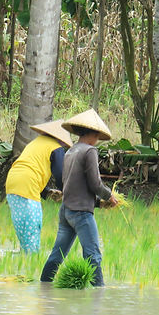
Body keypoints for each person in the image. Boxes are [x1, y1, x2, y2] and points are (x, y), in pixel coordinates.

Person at [40, 109, 117, 286]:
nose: (97, 140)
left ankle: (43, 288)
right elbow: (95, 183)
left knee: (57, 255)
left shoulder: (70, 151)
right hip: (81, 213)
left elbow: (73, 185)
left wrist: (98, 204)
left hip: (66, 211)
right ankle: (99, 295)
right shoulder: (90, 151)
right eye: (97, 136)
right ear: (94, 133)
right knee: (93, 255)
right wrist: (109, 196)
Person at [5, 119, 72, 252]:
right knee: (32, 228)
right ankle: (32, 263)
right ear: (61, 138)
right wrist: (69, 193)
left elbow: (32, 168)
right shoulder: (56, 148)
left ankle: (25, 262)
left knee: (24, 231)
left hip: (13, 182)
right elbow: (60, 175)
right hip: (26, 185)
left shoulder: (35, 143)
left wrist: (47, 191)